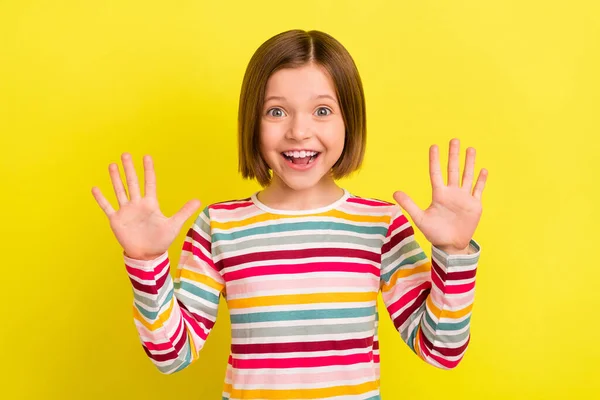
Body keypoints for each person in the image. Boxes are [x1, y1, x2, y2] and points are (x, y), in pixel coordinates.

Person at [91, 29, 488, 400]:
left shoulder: (380, 226)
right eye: (277, 112)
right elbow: (173, 355)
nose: (299, 131)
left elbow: (441, 351)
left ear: (349, 120)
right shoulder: (218, 228)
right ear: (253, 122)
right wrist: (146, 263)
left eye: (322, 111)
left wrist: (453, 252)